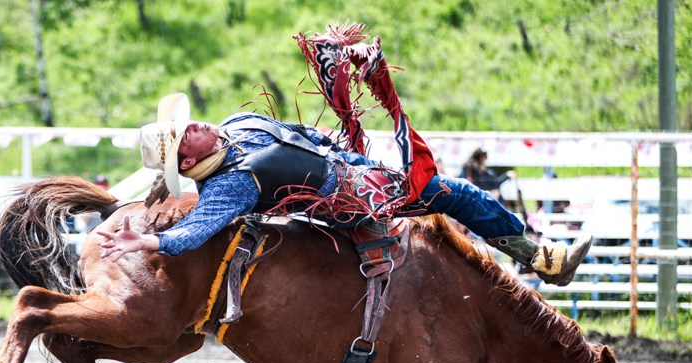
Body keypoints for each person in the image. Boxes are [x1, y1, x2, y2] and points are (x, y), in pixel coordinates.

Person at [99, 23, 592, 287]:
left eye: (187, 123)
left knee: (445, 190)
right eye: (186, 134)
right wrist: (152, 245)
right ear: (186, 162)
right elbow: (197, 228)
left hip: (349, 168)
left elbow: (293, 132)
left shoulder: (238, 124)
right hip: (346, 201)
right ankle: (544, 261)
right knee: (452, 193)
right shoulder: (230, 185)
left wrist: (343, 108)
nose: (197, 125)